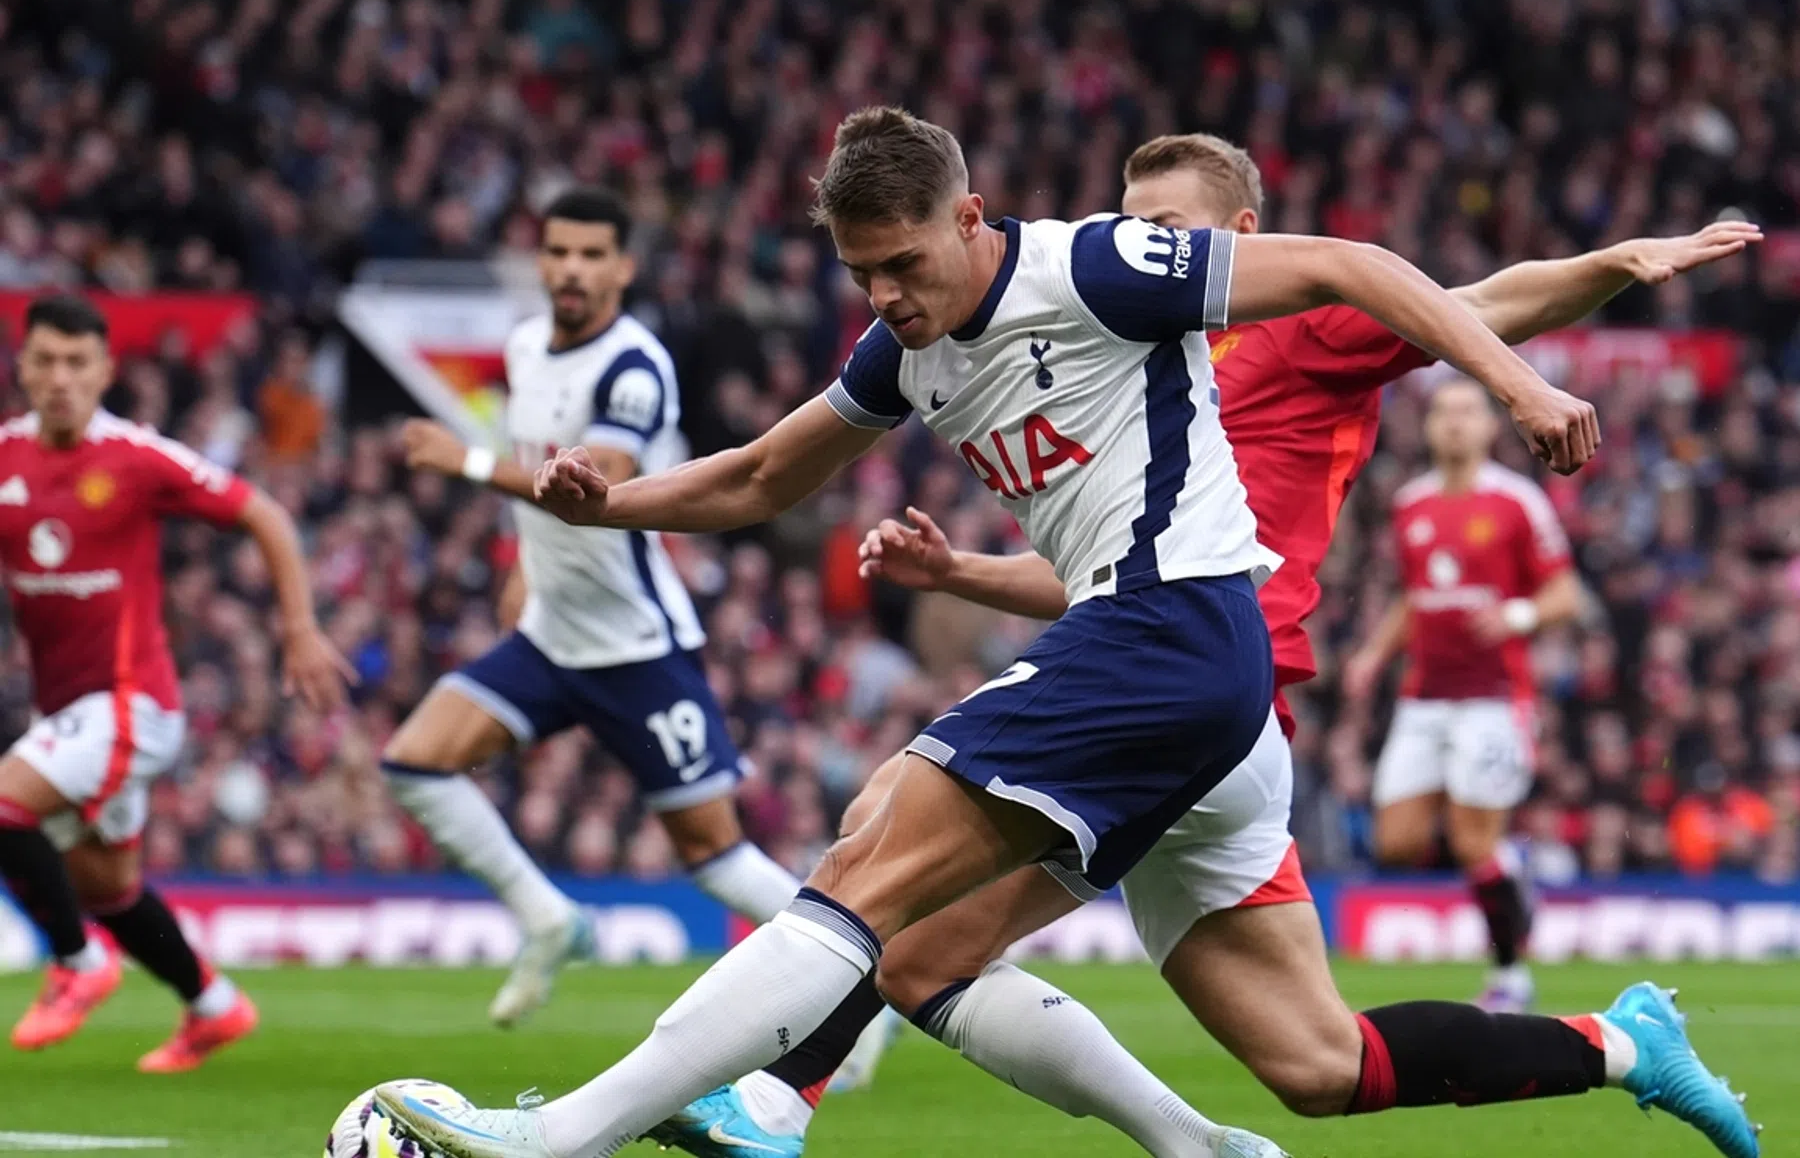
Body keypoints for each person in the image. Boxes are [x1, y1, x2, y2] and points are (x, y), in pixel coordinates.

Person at [373, 106, 1602, 1158]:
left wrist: (1524, 390)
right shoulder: (908, 349)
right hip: (1199, 688)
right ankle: (1208, 1143)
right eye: (863, 274)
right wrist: (613, 497)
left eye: (904, 263)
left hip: (1168, 630)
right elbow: (756, 480)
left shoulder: (1095, 269)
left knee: (862, 873)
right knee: (1268, 1048)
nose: (887, 296)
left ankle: (570, 1135)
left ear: (971, 218)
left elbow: (1354, 265)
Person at [645, 134, 1764, 1158]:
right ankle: (1617, 1048)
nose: (1147, 245)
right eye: (1135, 222)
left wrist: (1616, 262)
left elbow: (1473, 298)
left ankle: (777, 1098)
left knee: (896, 863)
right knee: (1322, 1067)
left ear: (1237, 239)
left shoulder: (1292, 330)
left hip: (1203, 681)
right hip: (1169, 681)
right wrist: (962, 576)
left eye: (1170, 229)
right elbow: (1105, 568)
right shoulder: (1124, 351)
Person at [384, 187, 806, 1026]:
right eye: (558, 252)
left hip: (635, 647)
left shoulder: (633, 366)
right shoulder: (525, 348)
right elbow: (531, 468)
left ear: (622, 267)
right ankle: (549, 919)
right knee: (415, 761)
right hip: (549, 634)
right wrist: (521, 574)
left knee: (716, 859)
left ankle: (857, 977)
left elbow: (594, 488)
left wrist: (463, 462)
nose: (572, 269)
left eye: (590, 255)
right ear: (541, 262)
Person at [0, 293, 354, 1071]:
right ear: (23, 367)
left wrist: (297, 628)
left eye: (77, 362)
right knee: (108, 888)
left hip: (134, 707)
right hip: (70, 713)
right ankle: (213, 1006)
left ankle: (76, 963)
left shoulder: (136, 455)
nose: (60, 378)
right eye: (46, 361)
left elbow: (264, 512)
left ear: (104, 371)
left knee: (4, 806)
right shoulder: (6, 459)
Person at [1343, 378, 1582, 1011]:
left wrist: (1517, 618)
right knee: (1395, 841)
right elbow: (1413, 599)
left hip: (1494, 697)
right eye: (1443, 412)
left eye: (1467, 412)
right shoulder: (1410, 505)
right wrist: (1372, 655)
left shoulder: (1517, 502)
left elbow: (1566, 595)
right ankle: (1510, 872)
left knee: (1473, 840)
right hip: (1425, 697)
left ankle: (1511, 976)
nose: (1453, 423)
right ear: (1428, 429)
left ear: (1488, 428)